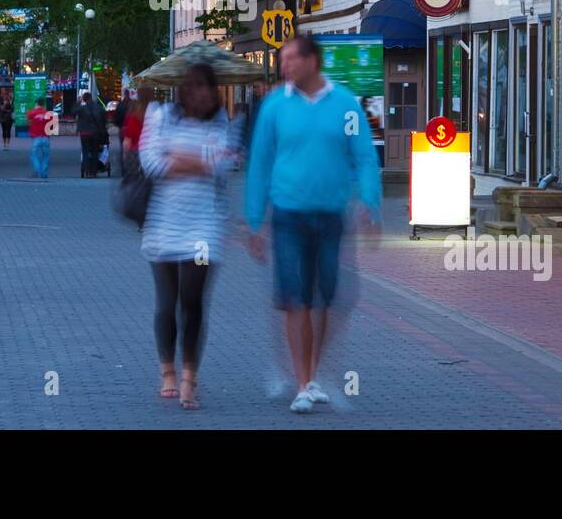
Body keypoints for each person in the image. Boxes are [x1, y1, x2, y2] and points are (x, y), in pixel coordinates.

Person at [244, 35, 382, 414]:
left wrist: (370, 202)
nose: (283, 66)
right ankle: (303, 382)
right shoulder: (275, 106)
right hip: (288, 213)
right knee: (295, 298)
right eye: (282, 59)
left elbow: (365, 158)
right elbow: (260, 162)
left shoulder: (345, 105)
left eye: (290, 59)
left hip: (331, 214)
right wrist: (255, 220)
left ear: (312, 61)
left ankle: (312, 372)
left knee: (328, 299)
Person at [138, 64, 234, 410]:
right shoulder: (161, 115)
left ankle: (190, 377)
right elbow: (150, 162)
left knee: (192, 301)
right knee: (167, 301)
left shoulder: (221, 122)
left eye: (206, 87)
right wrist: (198, 161)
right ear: (183, 90)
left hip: (204, 228)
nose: (201, 93)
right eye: (193, 86)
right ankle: (167, 372)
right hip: (163, 224)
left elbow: (221, 164)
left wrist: (178, 159)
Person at [25, 97, 53, 178]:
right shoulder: (47, 113)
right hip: (46, 137)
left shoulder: (32, 113)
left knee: (34, 155)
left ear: (36, 103)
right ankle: (44, 173)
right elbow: (51, 126)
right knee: (46, 156)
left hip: (36, 138)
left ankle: (37, 170)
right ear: (44, 104)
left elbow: (28, 121)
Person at [76, 92, 101, 178]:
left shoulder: (82, 108)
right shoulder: (97, 107)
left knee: (85, 152)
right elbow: (102, 119)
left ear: (84, 99)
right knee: (95, 152)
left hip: (84, 133)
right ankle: (94, 172)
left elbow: (73, 111)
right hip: (94, 133)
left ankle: (87, 171)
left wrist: (78, 102)